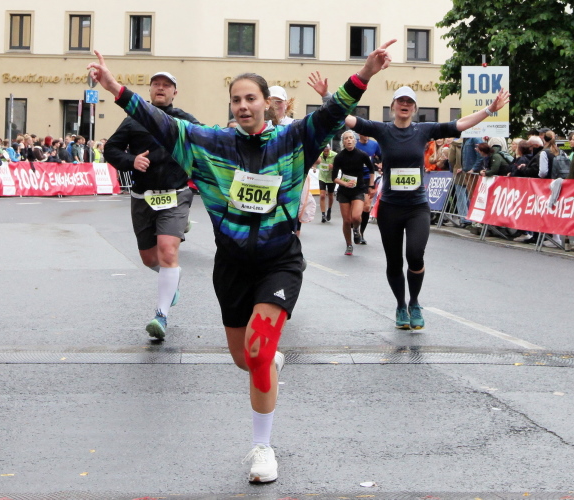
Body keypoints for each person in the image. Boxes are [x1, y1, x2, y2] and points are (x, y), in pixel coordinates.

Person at [89, 39, 396, 483]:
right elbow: (157, 121)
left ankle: (262, 448)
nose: (243, 106)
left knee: (258, 350)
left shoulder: (293, 140)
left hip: (279, 261)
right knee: (245, 359)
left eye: (251, 98)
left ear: (267, 102)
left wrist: (364, 73)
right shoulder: (210, 144)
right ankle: (267, 361)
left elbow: (333, 111)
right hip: (231, 265)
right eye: (236, 100)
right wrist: (115, 87)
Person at [345, 84, 509, 330]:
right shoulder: (382, 130)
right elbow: (348, 119)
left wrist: (489, 109)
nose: (405, 105)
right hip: (390, 207)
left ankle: (414, 303)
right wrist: (327, 98)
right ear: (393, 106)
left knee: (415, 254)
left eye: (409, 102)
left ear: (414, 108)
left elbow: (460, 124)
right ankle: (401, 306)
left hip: (417, 207)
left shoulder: (423, 130)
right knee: (393, 262)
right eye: (401, 101)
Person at [104, 71, 200, 341]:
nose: (161, 88)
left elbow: (205, 141)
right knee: (149, 259)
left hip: (175, 194)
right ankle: (172, 277)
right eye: (156, 84)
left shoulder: (183, 120)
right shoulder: (133, 119)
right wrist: (131, 161)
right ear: (149, 90)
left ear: (174, 92)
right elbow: (111, 149)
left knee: (168, 251)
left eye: (166, 85)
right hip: (142, 197)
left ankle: (161, 315)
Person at [333, 131, 374, 254]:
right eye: (346, 138)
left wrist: (371, 185)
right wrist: (344, 183)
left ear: (354, 141)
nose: (349, 140)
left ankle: (356, 229)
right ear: (343, 142)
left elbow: (372, 170)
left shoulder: (362, 154)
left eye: (351, 138)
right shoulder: (339, 157)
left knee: (356, 217)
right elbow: (333, 177)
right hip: (344, 191)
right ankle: (349, 245)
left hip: (358, 189)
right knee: (346, 220)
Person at [355, 134, 383, 239]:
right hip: (354, 177)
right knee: (355, 209)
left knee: (366, 207)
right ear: (359, 134)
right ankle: (355, 225)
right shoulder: (355, 144)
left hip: (368, 177)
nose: (366, 136)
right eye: (364, 134)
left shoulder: (374, 144)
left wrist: (381, 165)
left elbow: (381, 157)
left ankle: (361, 233)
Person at [312, 143, 337, 223]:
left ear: (330, 150)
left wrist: (333, 166)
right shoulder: (319, 154)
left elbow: (339, 165)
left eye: (327, 151)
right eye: (324, 151)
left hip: (331, 178)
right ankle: (323, 214)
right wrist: (314, 167)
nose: (326, 153)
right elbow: (315, 161)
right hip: (322, 177)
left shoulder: (335, 155)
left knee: (330, 195)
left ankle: (329, 209)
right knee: (322, 195)